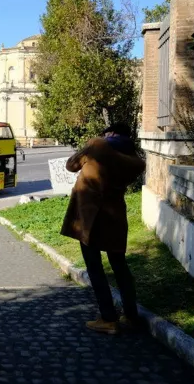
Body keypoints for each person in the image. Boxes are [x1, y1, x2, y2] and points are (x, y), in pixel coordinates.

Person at [60, 122, 146, 335]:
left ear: (112, 133)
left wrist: (89, 147)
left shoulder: (97, 146)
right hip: (115, 216)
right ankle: (131, 316)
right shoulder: (136, 162)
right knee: (120, 267)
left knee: (95, 268)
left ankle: (108, 318)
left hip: (91, 217)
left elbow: (71, 165)